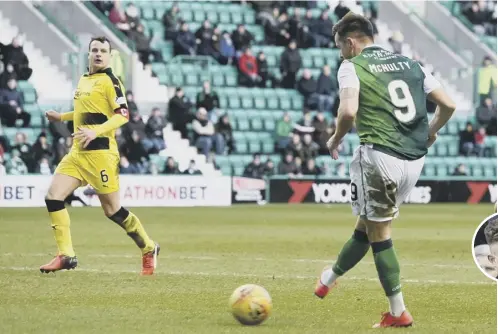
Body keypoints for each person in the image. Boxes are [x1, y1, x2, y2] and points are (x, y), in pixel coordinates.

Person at [314, 14, 456, 328]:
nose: (340, 54)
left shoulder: (352, 66)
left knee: (379, 232)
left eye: (341, 47)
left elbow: (349, 111)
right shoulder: (412, 64)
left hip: (379, 156)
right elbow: (448, 105)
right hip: (414, 160)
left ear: (350, 43)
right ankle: (328, 278)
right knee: (367, 225)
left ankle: (397, 312)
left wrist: (335, 138)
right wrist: (431, 132)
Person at [40, 36, 159, 276]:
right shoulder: (85, 79)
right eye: (94, 50)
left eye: (103, 51)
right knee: (53, 196)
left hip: (102, 155)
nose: (98, 54)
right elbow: (85, 111)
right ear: (88, 54)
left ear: (109, 55)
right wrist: (61, 118)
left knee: (113, 211)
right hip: (78, 153)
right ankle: (66, 255)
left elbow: (122, 115)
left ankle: (148, 247)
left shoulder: (111, 81)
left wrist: (96, 131)